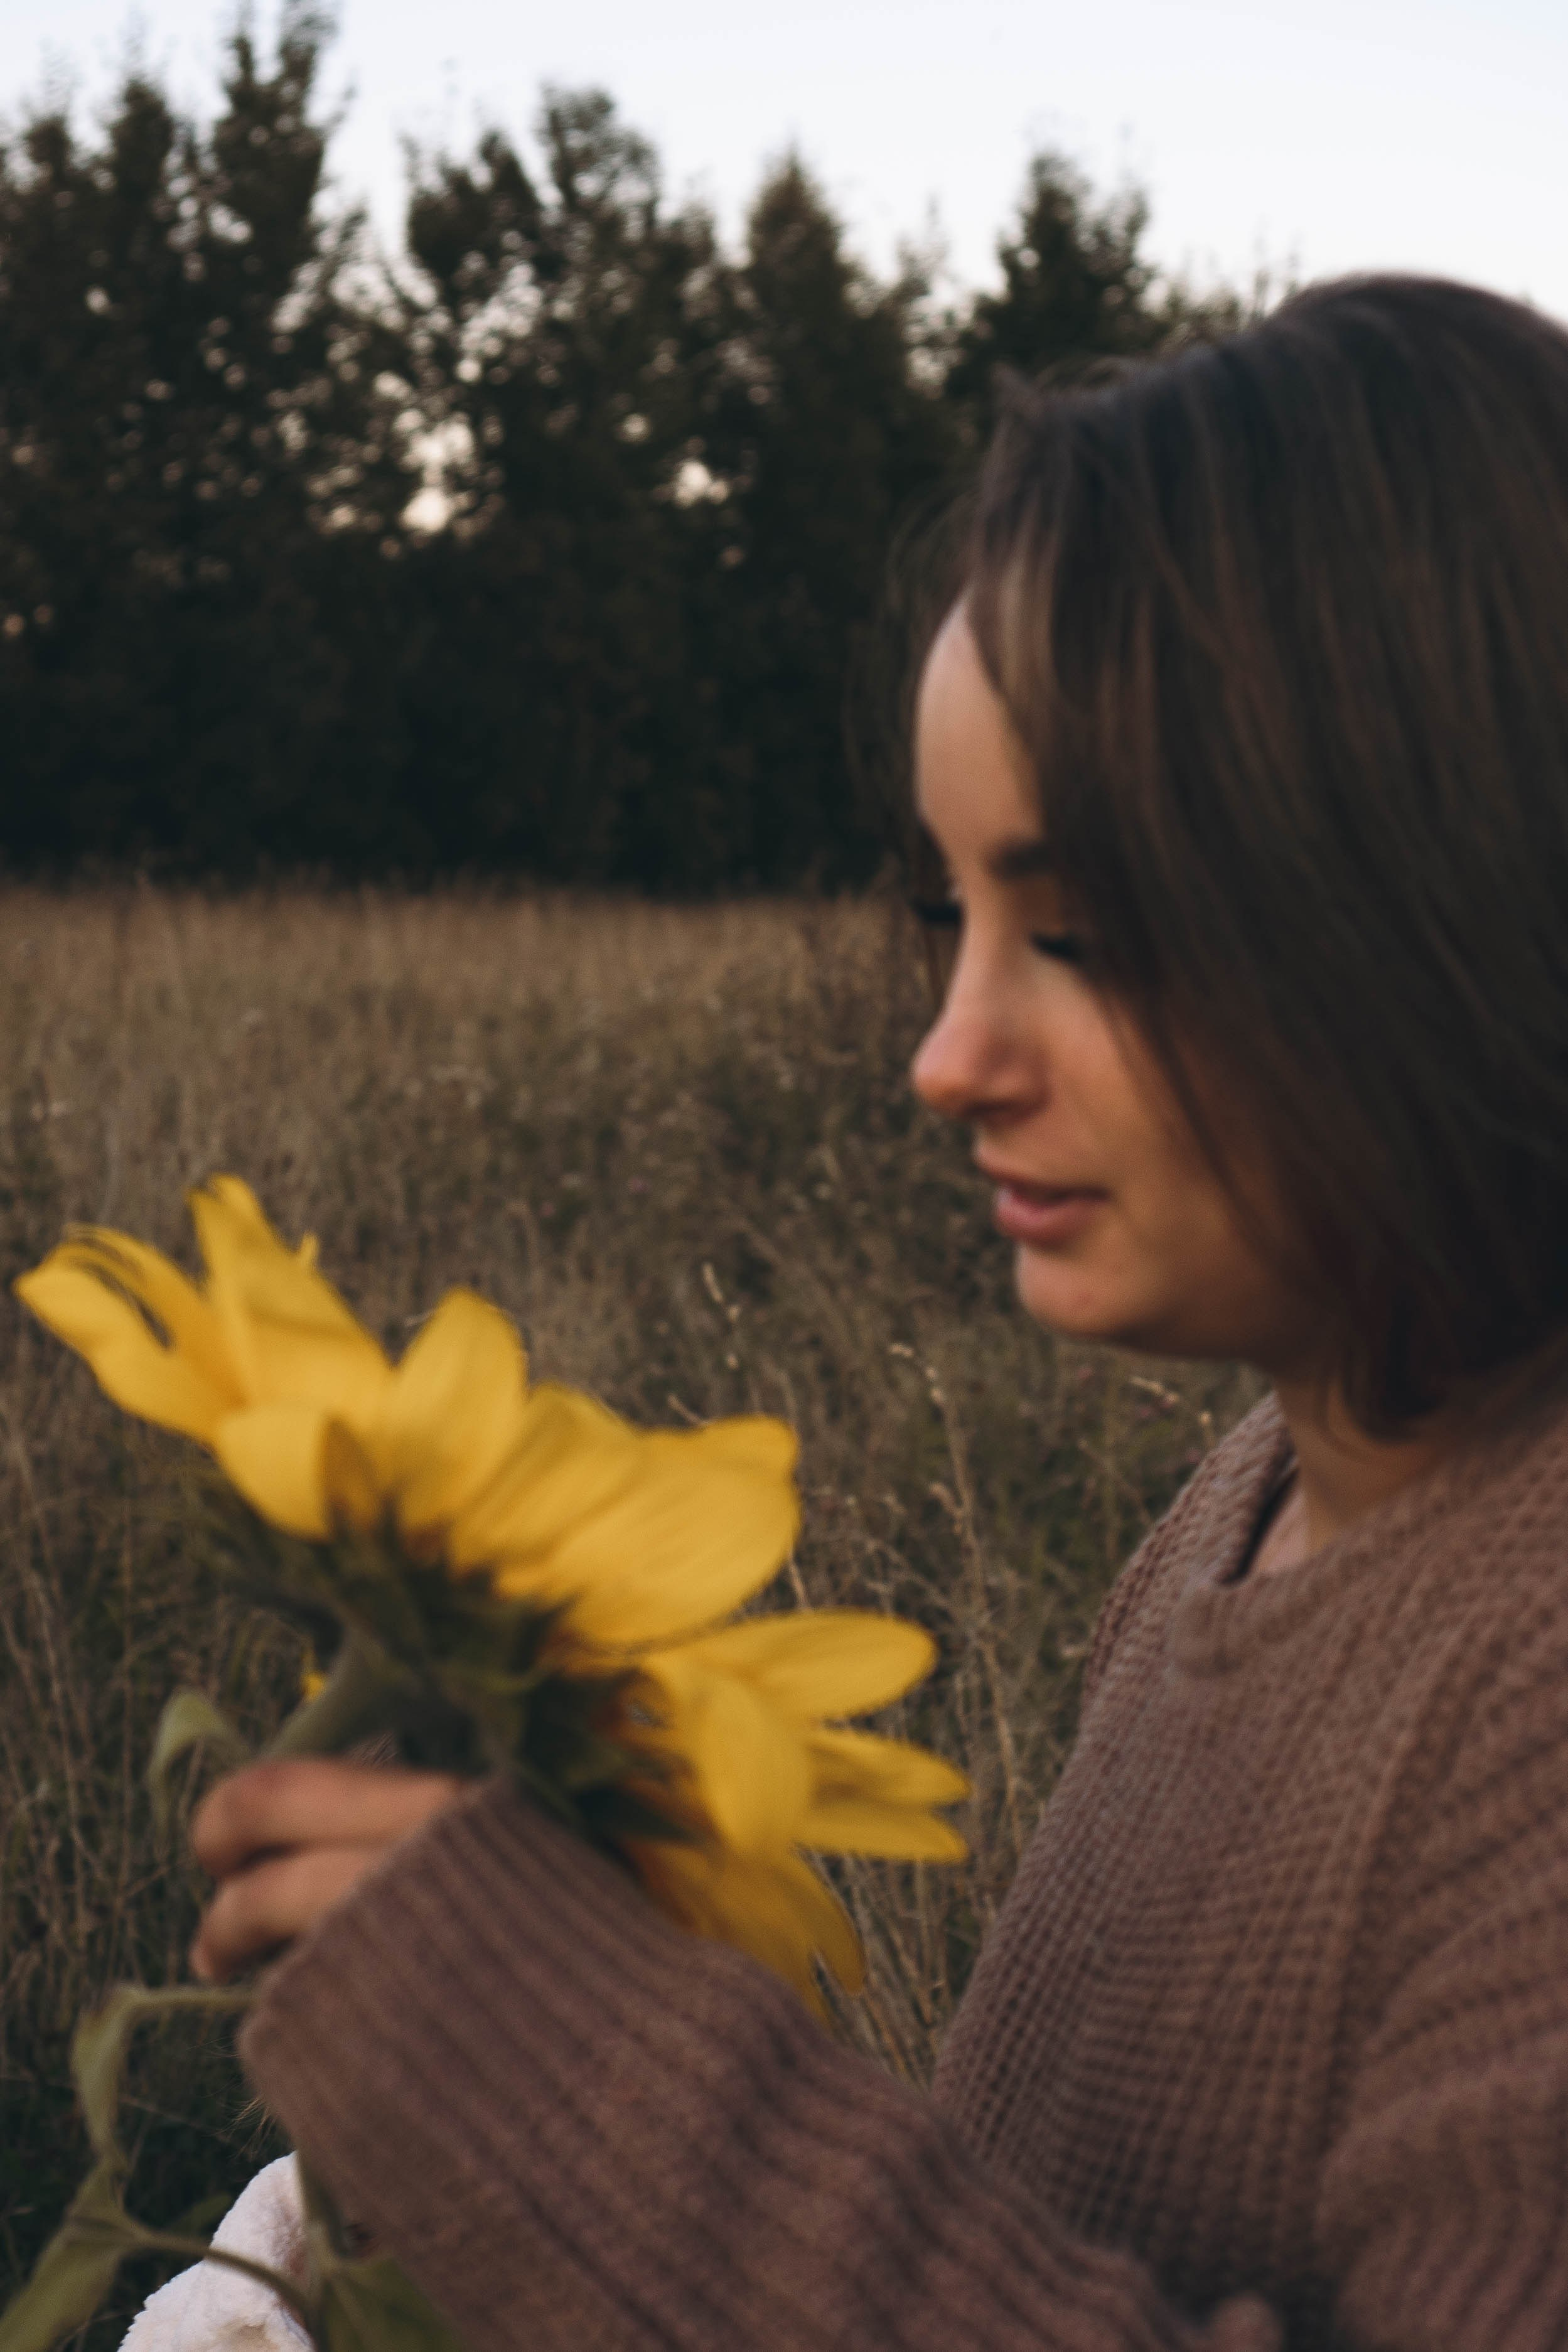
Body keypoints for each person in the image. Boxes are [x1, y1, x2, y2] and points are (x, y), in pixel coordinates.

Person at [190, 275, 1568, 2350]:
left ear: (1441, 903)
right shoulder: (1255, 1501)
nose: (946, 1055)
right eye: (952, 913)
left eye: (1082, 928)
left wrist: (558, 2090)